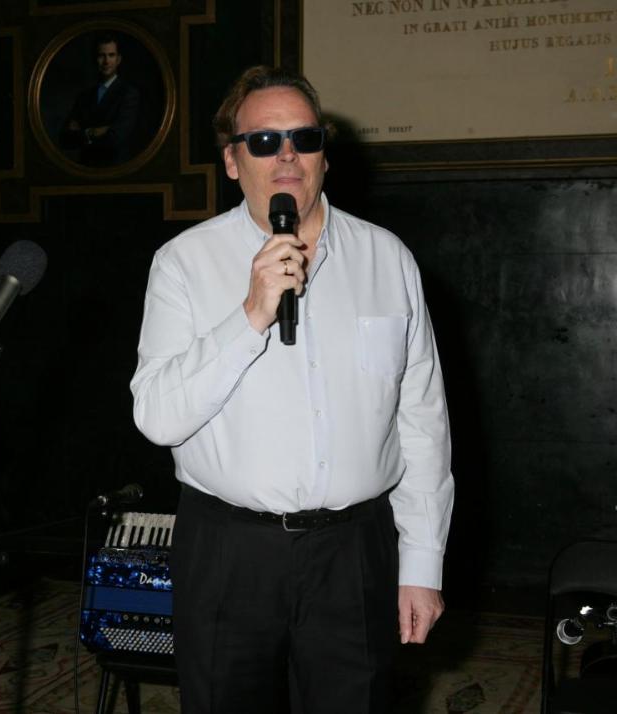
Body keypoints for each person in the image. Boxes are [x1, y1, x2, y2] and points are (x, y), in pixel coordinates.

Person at [130, 66, 454, 713]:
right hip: (229, 553)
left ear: (324, 156)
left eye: (303, 139)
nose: (286, 157)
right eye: (263, 141)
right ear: (231, 159)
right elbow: (158, 416)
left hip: (353, 552)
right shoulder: (184, 264)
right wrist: (250, 313)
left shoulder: (385, 259)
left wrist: (421, 565)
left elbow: (422, 420)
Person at [60, 33, 140, 166]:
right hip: (86, 168)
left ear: (118, 59)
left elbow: (116, 138)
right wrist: (93, 132)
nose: (106, 61)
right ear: (95, 59)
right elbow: (65, 139)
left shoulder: (129, 94)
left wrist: (82, 132)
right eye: (101, 55)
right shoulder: (84, 96)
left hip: (115, 168)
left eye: (111, 55)